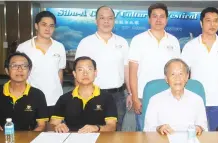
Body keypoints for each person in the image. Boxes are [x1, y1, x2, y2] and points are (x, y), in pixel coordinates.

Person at [75, 6, 130, 131]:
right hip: (92, 94)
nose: (106, 21)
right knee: (91, 129)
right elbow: (79, 71)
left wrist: (130, 93)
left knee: (116, 130)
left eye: (110, 18)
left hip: (118, 95)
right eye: (102, 18)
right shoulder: (86, 42)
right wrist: (78, 96)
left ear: (114, 21)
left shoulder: (122, 42)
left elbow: (126, 69)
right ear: (96, 21)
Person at [181, 7, 218, 131]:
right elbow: (184, 73)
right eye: (208, 20)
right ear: (201, 23)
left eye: (216, 21)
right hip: (195, 99)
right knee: (195, 133)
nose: (213, 24)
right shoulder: (190, 46)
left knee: (216, 135)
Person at [129, 3, 181, 131]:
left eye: (162, 16)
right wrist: (135, 97)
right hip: (144, 96)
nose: (158, 20)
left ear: (166, 20)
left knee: (168, 130)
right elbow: (132, 72)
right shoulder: (138, 40)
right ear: (149, 19)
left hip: (169, 94)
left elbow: (178, 71)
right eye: (154, 16)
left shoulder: (173, 41)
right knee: (144, 132)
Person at [16, 11, 66, 116]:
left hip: (55, 98)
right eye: (44, 24)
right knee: (32, 130)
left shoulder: (59, 47)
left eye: (51, 26)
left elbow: (60, 72)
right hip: (31, 98)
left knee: (54, 130)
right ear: (36, 26)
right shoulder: (23, 48)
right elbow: (18, 74)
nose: (48, 29)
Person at [50, 57, 118, 133]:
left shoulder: (107, 97)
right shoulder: (64, 99)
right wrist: (57, 127)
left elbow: (112, 126)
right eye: (80, 70)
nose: (85, 73)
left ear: (95, 73)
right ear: (74, 74)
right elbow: (53, 124)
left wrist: (97, 128)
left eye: (89, 69)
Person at [143, 59, 207, 135]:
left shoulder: (197, 100)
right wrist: (159, 128)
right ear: (166, 79)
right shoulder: (155, 100)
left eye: (181, 74)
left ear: (187, 77)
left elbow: (204, 127)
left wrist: (199, 128)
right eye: (173, 74)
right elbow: (147, 129)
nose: (177, 78)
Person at [0, 52, 48, 132]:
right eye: (14, 66)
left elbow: (42, 125)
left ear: (29, 71)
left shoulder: (38, 95)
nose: (20, 69)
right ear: (7, 70)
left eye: (24, 66)